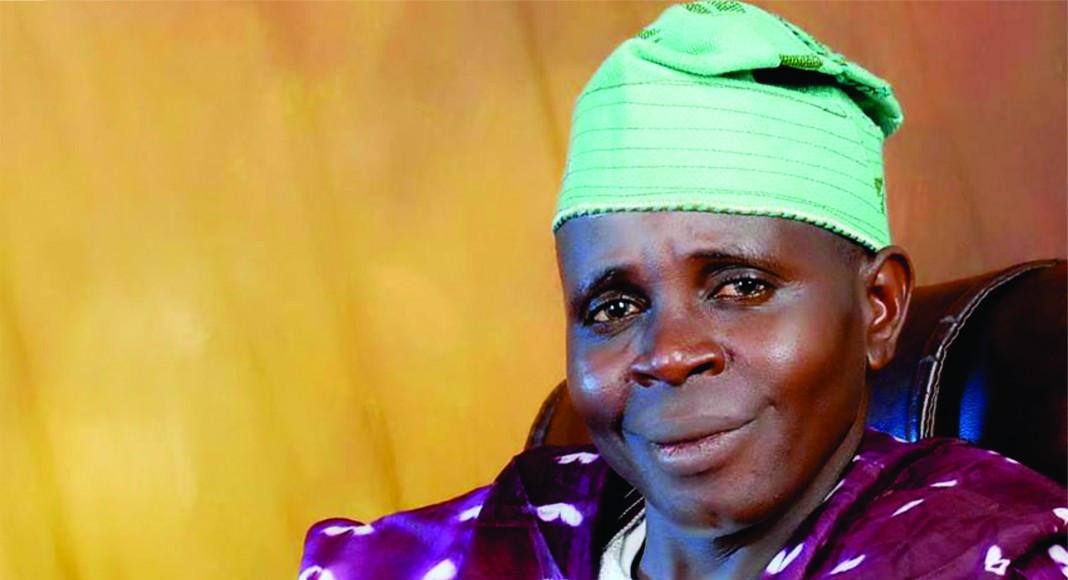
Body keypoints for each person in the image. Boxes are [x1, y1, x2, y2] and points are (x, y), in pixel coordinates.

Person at [299, 2, 1067, 578]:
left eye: (741, 287)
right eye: (614, 307)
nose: (667, 354)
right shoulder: (508, 536)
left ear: (879, 308)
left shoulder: (981, 555)